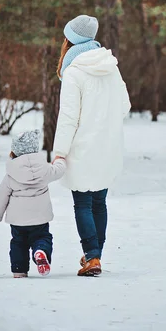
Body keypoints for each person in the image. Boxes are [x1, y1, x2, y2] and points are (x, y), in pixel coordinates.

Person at [53, 15, 131, 277]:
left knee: (83, 204)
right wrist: (105, 123)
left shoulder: (74, 72)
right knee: (99, 202)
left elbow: (68, 118)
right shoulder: (111, 66)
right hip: (107, 147)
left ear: (70, 40)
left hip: (82, 147)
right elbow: (124, 105)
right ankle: (94, 255)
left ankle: (92, 257)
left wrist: (59, 153)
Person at [0, 129, 66, 278]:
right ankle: (40, 251)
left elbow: (1, 197)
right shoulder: (45, 169)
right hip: (40, 218)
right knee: (42, 237)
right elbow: (59, 170)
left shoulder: (11, 174)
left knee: (18, 243)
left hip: (18, 220)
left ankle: (19, 270)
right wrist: (60, 159)